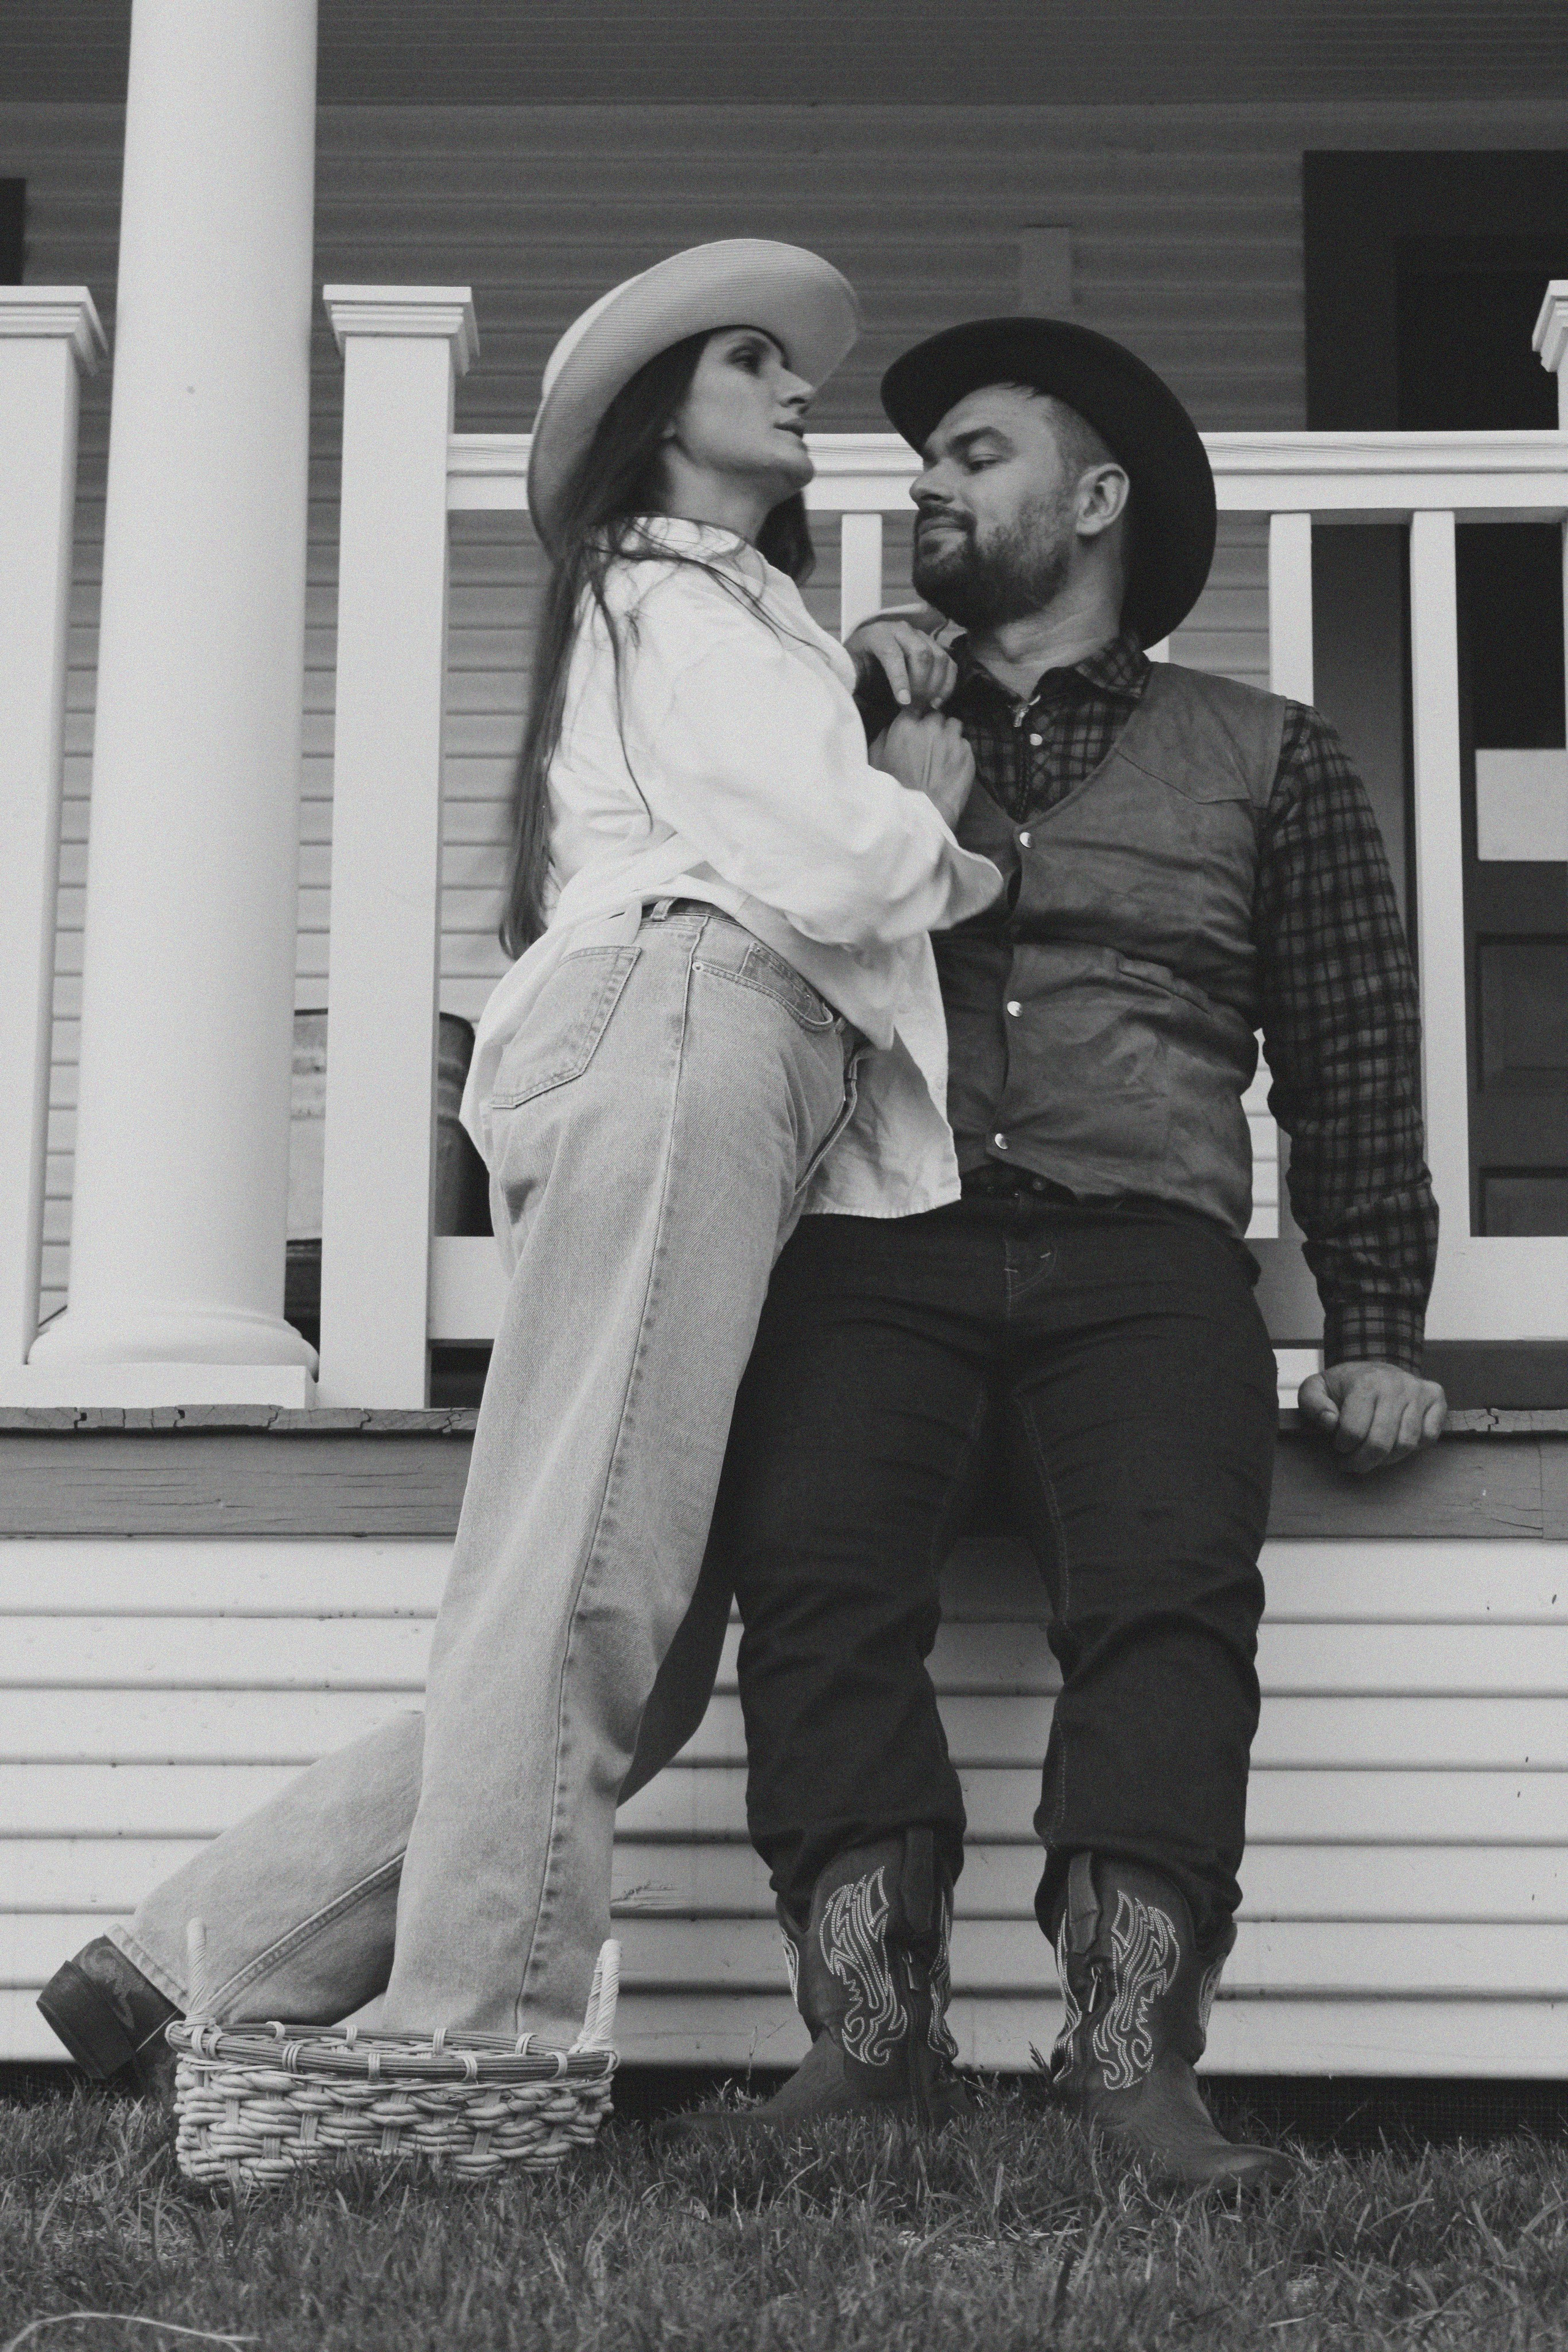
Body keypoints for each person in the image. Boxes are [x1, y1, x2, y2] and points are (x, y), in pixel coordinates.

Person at [36, 242, 1001, 2084]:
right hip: (693, 1025)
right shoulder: (664, 586)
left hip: (696, 1045)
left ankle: (184, 1960)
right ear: (662, 420)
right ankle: (471, 2036)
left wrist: (858, 677)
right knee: (586, 1587)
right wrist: (933, 828)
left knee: (640, 1624)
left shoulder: (717, 614)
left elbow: (763, 771)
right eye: (754, 362)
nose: (801, 388)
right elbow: (822, 850)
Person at [667, 316, 1447, 2185]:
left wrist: (1378, 1319)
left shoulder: (1272, 757)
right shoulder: (824, 723)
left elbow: (1349, 1046)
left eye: (981, 450)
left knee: (1172, 1606)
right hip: (870, 1237)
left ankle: (1128, 2062)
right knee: (819, 1584)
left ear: (1095, 502)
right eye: (928, 452)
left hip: (1148, 1254)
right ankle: (874, 2036)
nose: (928, 475)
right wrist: (840, 717)